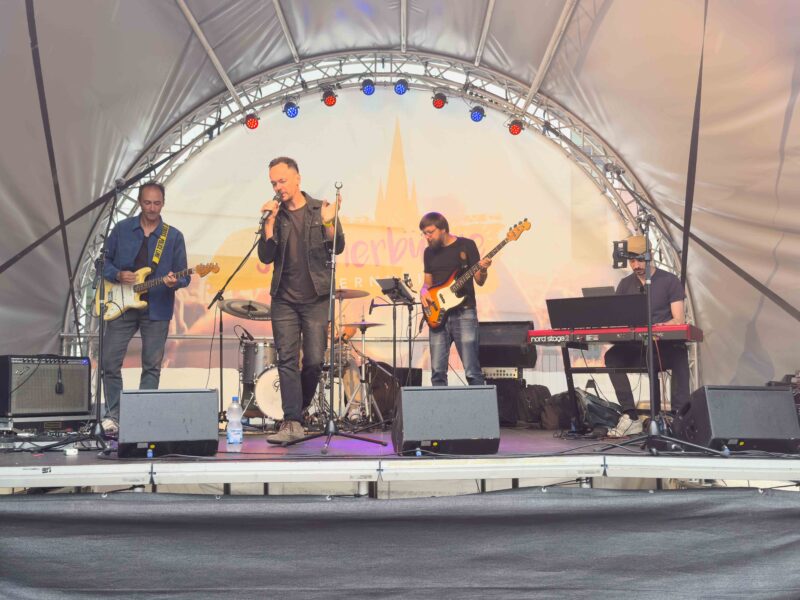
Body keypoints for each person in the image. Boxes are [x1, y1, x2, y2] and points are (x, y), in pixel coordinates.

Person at [258, 157, 345, 444]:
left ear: (297, 178)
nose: (278, 187)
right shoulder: (275, 216)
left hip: (316, 298)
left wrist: (329, 222)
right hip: (283, 299)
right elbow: (265, 257)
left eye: (282, 181)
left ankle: (300, 409)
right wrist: (268, 224)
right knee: (286, 359)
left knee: (314, 361)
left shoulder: (320, 209)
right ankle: (292, 420)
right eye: (273, 183)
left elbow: (338, 246)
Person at [101, 182, 189, 433]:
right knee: (109, 361)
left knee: (151, 365)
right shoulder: (122, 229)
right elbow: (103, 262)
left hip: (157, 307)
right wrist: (118, 274)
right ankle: (114, 416)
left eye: (157, 203)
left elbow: (184, 276)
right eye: (148, 202)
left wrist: (174, 282)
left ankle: (143, 417)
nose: (152, 208)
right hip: (121, 304)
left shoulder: (173, 236)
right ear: (140, 202)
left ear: (163, 203)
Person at [604, 235, 690, 437]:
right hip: (637, 348)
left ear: (650, 256)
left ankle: (679, 418)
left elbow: (678, 319)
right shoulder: (625, 284)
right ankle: (630, 415)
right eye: (632, 261)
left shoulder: (669, 281)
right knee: (612, 357)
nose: (636, 265)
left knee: (680, 354)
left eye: (640, 260)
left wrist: (661, 327)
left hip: (664, 348)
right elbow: (619, 317)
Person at [419, 212, 491, 386]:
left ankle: (479, 403)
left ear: (443, 228)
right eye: (424, 233)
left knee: (472, 371)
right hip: (437, 315)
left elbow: (480, 281)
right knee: (437, 373)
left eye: (430, 232)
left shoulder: (466, 245)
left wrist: (483, 269)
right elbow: (427, 283)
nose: (427, 237)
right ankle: (440, 404)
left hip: (464, 312)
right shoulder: (428, 253)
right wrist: (423, 291)